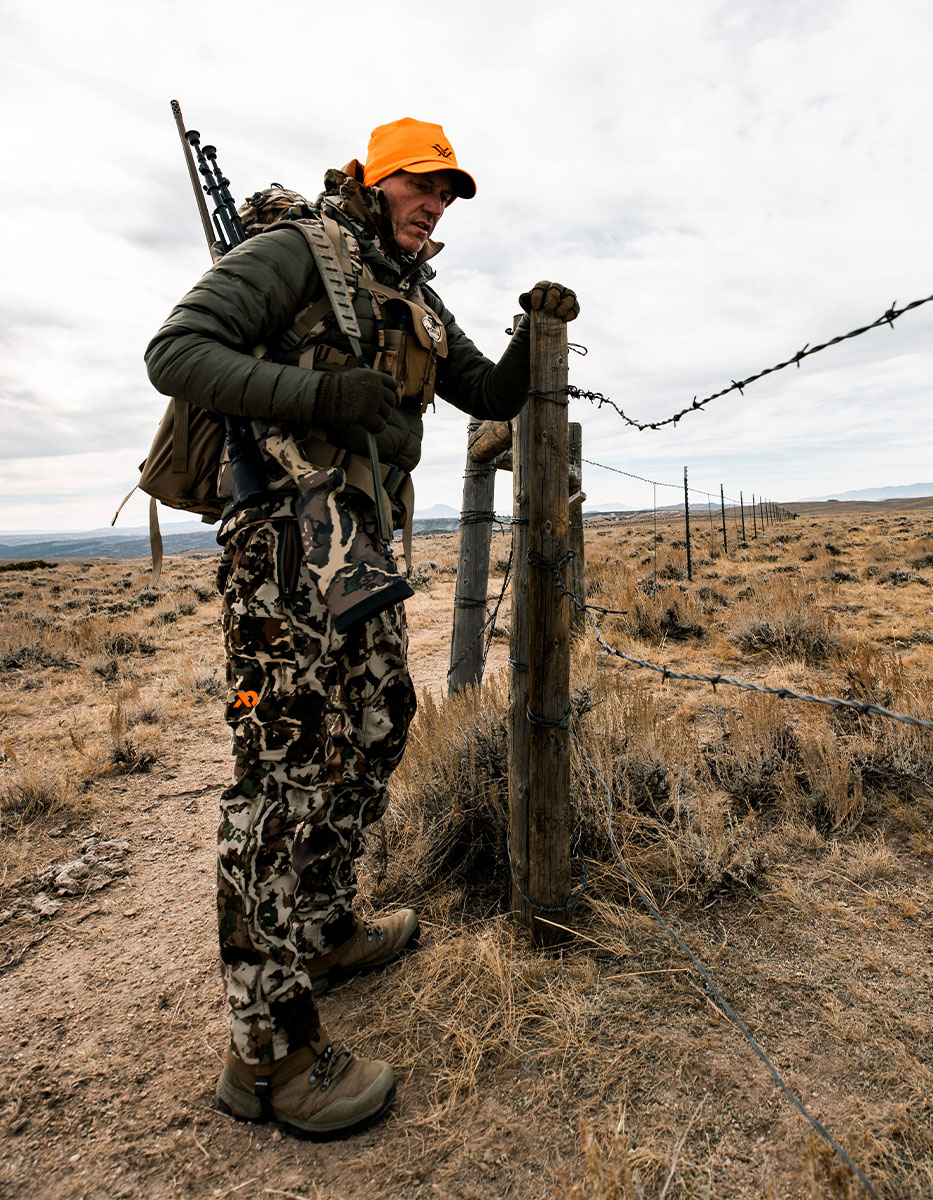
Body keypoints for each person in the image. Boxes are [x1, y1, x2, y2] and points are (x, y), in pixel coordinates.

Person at [145, 117, 578, 1140]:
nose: (437, 204)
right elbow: (175, 351)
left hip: (355, 553)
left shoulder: (414, 291)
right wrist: (318, 392)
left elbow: (484, 388)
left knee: (379, 725)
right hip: (279, 552)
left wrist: (536, 334)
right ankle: (267, 1054)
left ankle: (327, 923)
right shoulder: (297, 253)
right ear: (374, 181)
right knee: (283, 777)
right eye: (422, 185)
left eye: (450, 193)